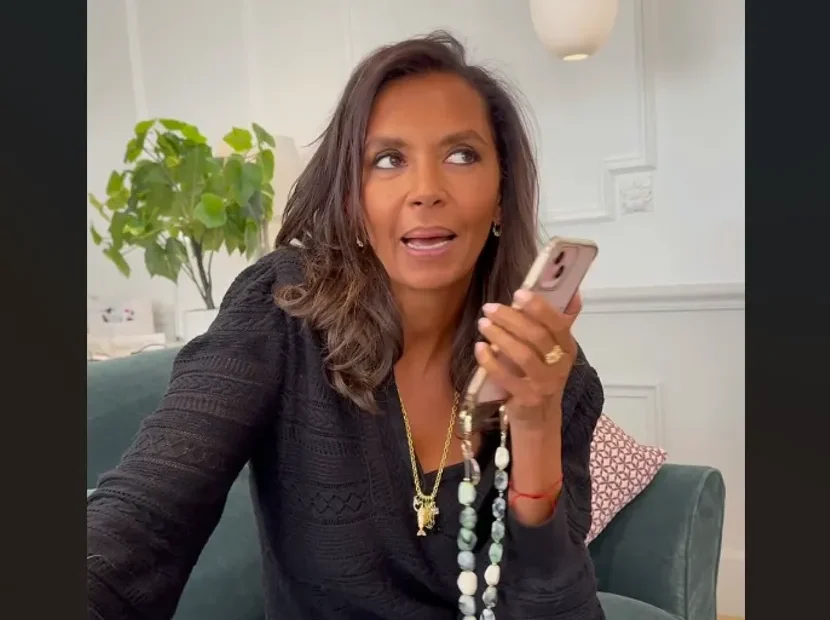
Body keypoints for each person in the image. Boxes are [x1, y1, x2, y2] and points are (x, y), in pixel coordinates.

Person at [87, 30, 605, 620]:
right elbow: (145, 511)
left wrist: (535, 425)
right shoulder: (282, 307)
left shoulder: (557, 377)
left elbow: (559, 608)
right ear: (353, 200)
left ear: (502, 194)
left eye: (461, 155)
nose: (426, 191)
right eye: (388, 160)